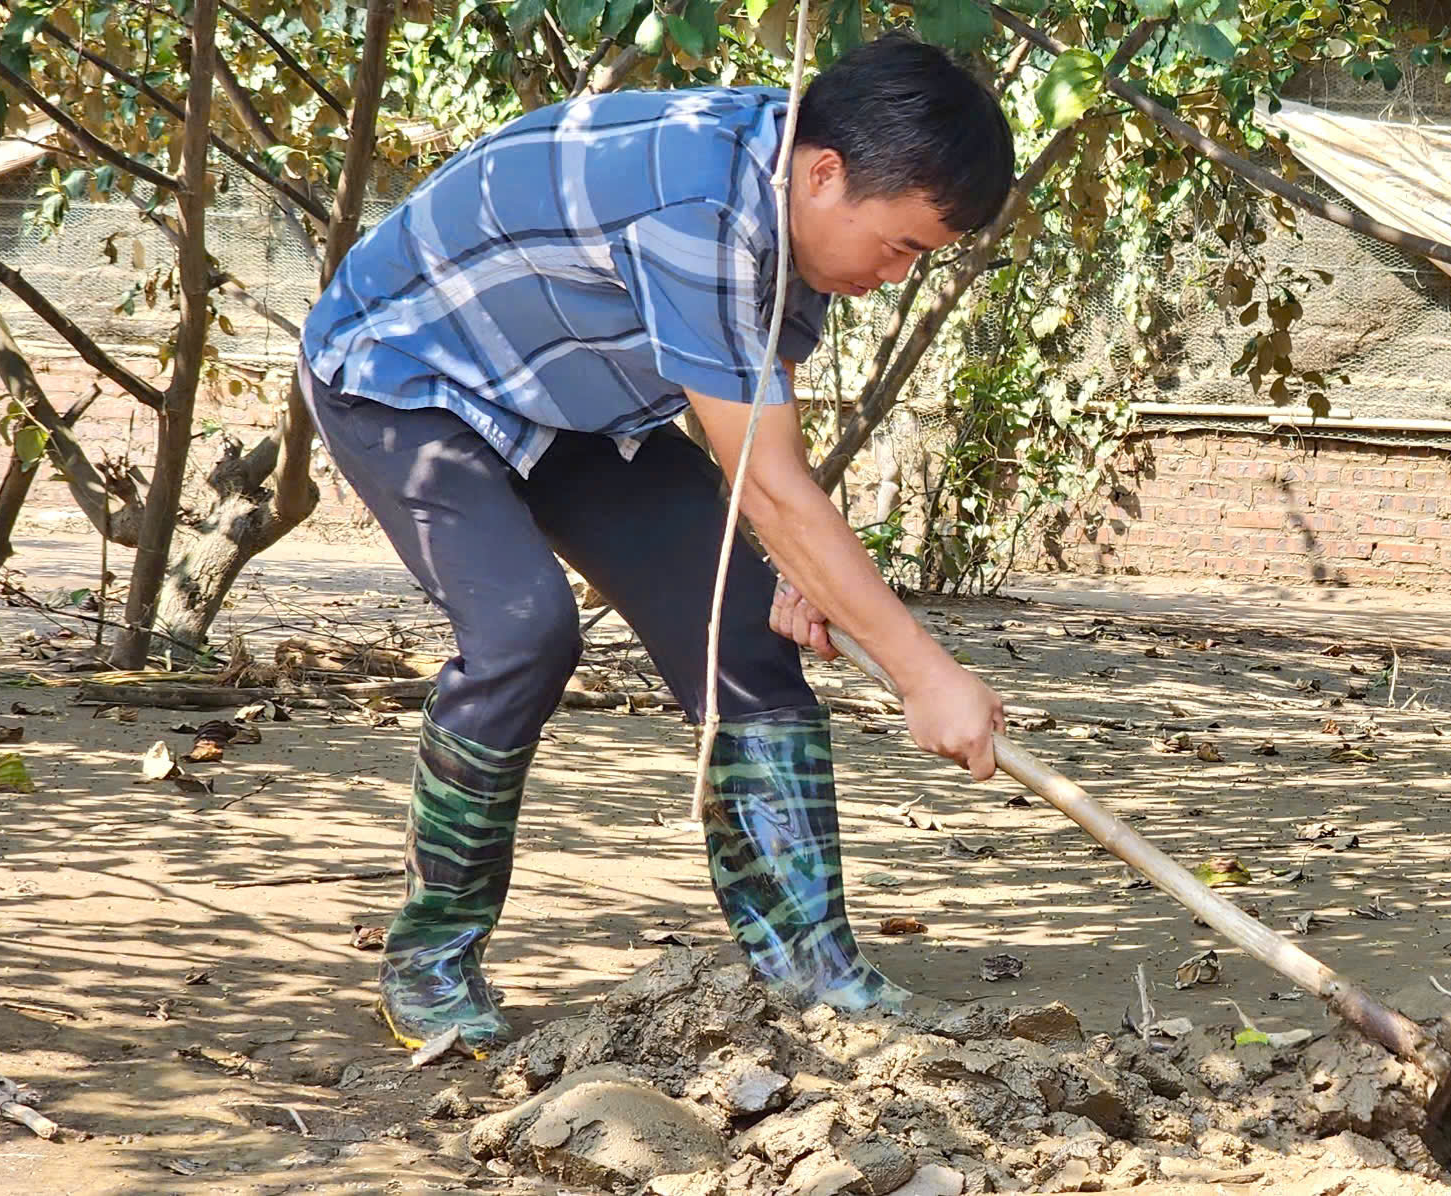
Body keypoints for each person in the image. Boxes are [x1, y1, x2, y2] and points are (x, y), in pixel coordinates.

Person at [296, 33, 1013, 1057]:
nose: (897, 275)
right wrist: (923, 673)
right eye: (901, 246)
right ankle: (429, 960)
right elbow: (770, 486)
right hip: (408, 379)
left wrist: (806, 573)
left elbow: (761, 440)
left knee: (746, 630)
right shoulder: (700, 206)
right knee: (523, 631)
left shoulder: (794, 194)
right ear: (824, 174)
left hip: (578, 405)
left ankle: (814, 968)